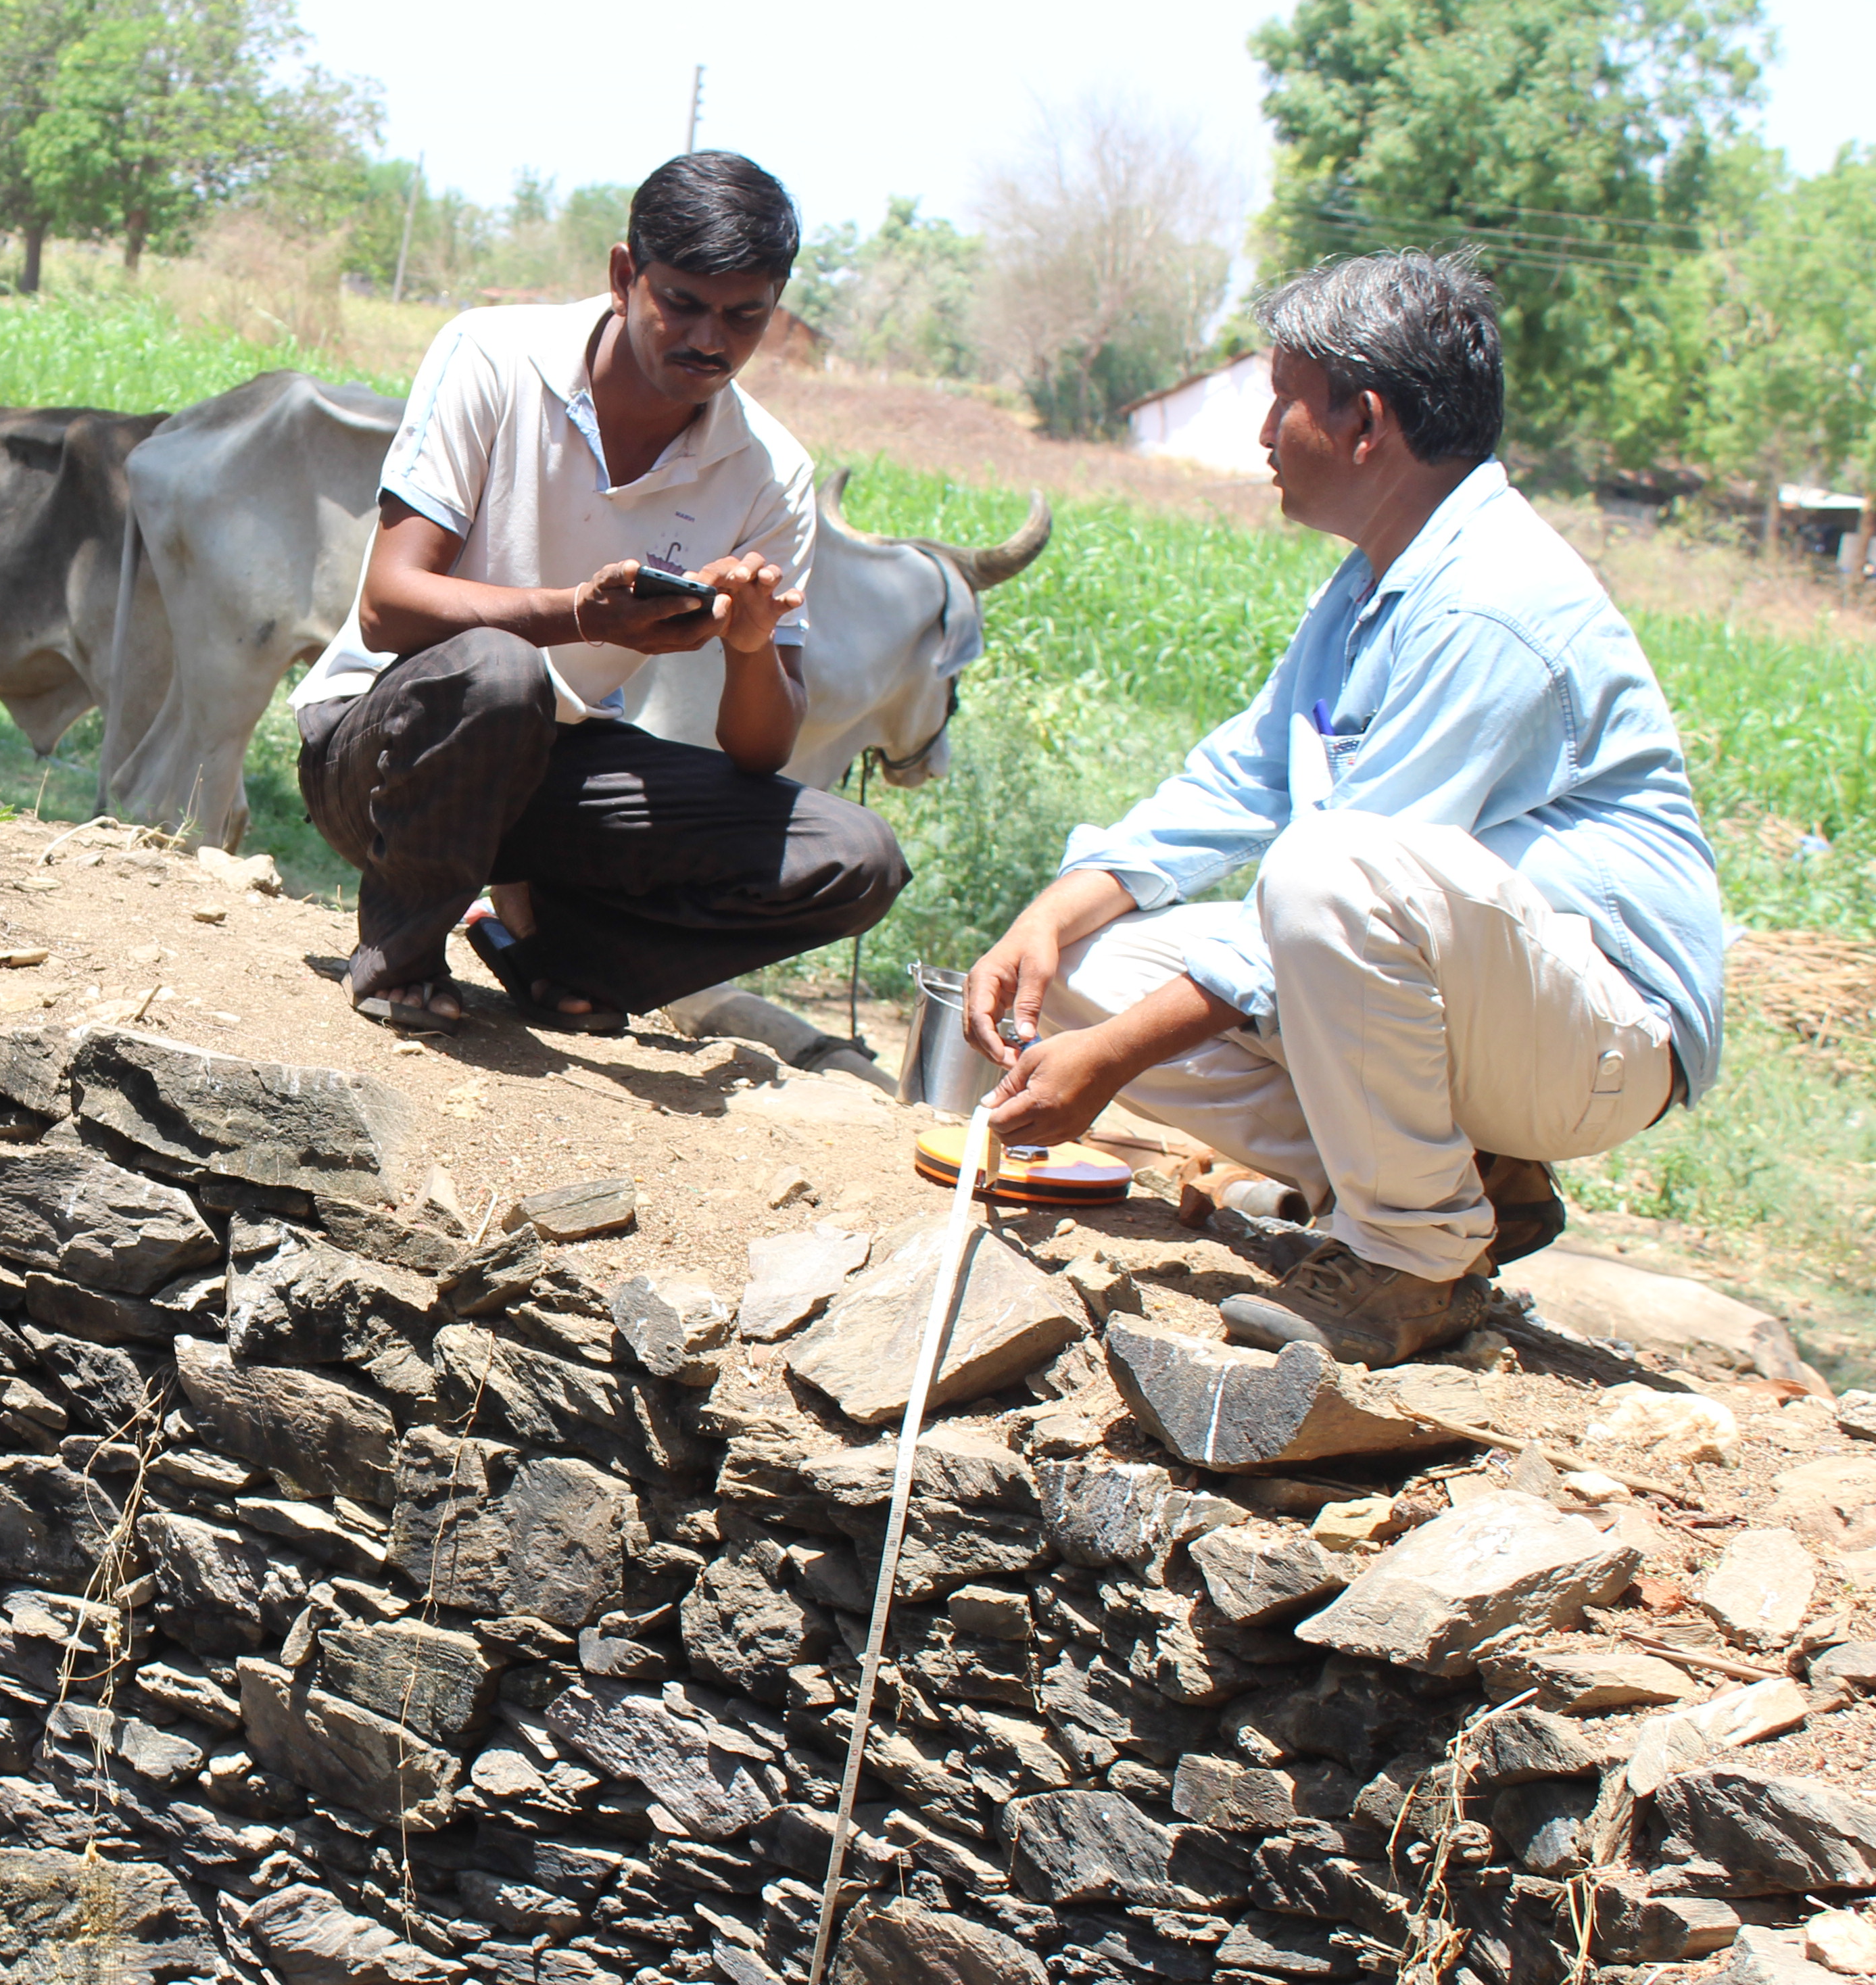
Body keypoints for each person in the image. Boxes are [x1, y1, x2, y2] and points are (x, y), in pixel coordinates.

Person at [964, 249, 1725, 1368]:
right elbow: (1244, 778)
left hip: (1596, 1034)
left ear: (1365, 423)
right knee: (1078, 979)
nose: (1265, 433)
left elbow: (1324, 895)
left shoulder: (1490, 605)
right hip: (1476, 998)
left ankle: (1413, 1263)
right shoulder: (1378, 579)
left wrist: (1115, 1062)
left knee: (1324, 874)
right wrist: (1050, 916)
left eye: (1283, 401)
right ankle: (1465, 1190)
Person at [291, 151, 908, 1036]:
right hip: (388, 754)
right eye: (683, 303)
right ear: (626, 277)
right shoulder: (493, 355)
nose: (709, 340)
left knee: (855, 857)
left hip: (552, 770)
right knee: (503, 675)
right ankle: (404, 955)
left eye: (745, 317)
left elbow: (762, 751)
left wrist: (747, 650)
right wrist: (579, 615)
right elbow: (390, 604)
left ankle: (560, 958)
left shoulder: (771, 473)